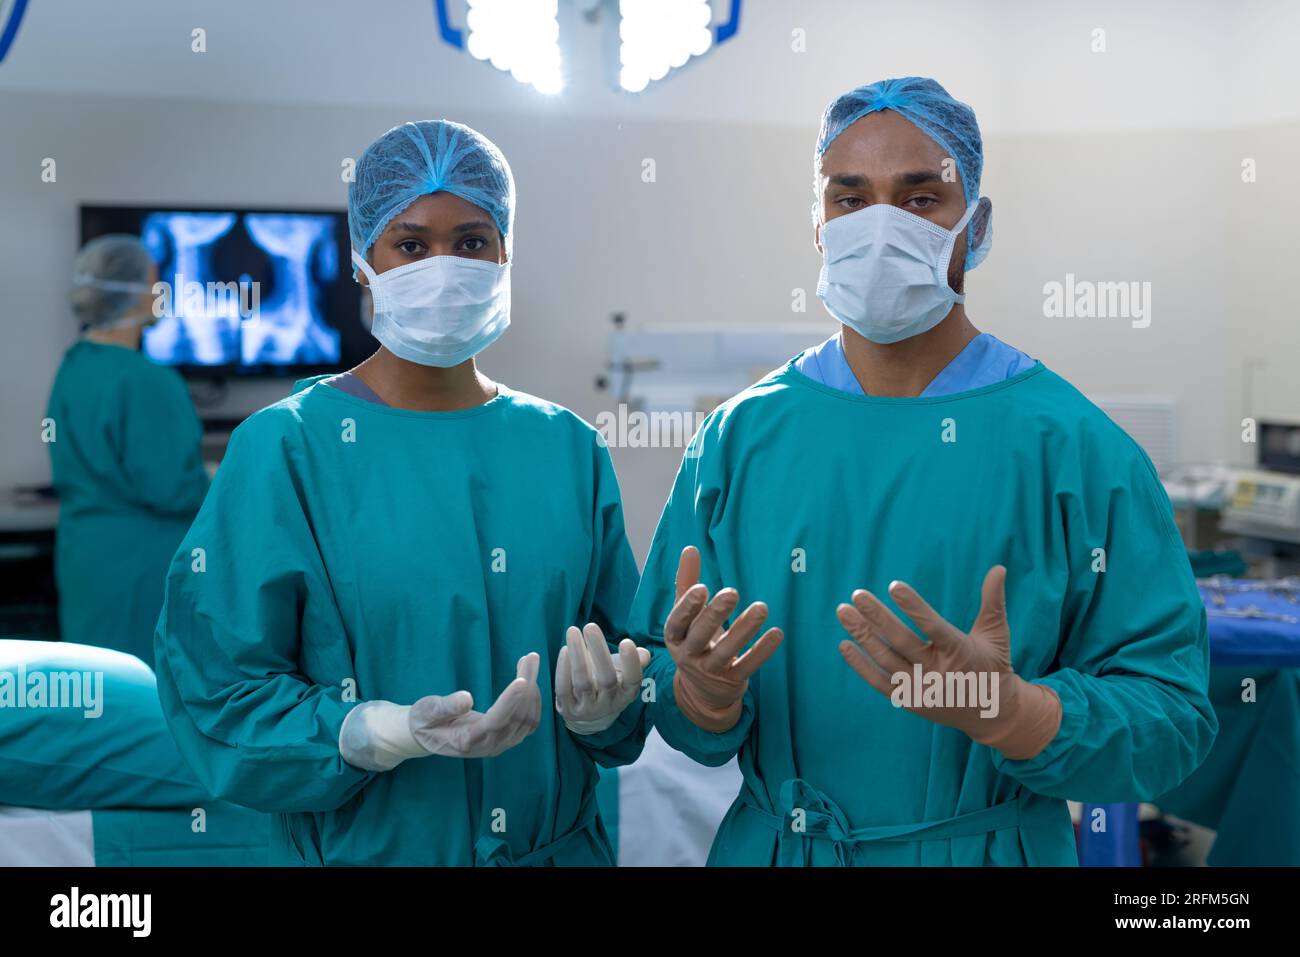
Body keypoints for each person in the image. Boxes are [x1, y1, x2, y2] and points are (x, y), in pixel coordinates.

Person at [622, 77, 1217, 865]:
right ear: (818, 225)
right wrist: (703, 691)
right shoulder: (739, 438)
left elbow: (1172, 718)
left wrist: (1013, 713)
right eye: (850, 199)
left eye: (919, 198)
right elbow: (662, 680)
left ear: (975, 224)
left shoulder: (1074, 447)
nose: (880, 228)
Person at [153, 120, 649, 866]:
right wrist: (371, 731)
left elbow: (626, 665)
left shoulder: (566, 446)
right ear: (363, 262)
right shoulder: (286, 448)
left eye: (473, 241)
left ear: (507, 251)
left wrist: (609, 709)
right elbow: (218, 690)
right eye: (411, 245)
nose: (443, 267)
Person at [46, 235, 209, 666]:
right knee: (150, 700)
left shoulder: (74, 364)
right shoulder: (147, 381)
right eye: (156, 282)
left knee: (101, 697)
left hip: (86, 555)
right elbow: (174, 489)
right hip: (140, 565)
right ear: (134, 293)